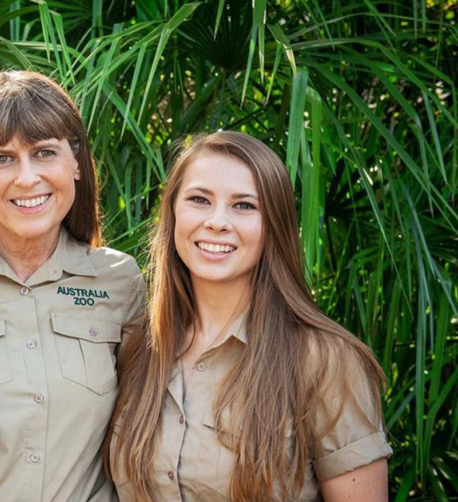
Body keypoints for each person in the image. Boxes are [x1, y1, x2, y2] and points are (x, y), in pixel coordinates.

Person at [106, 131, 391, 502]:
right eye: (199, 200)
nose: (217, 221)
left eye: (244, 206)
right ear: (173, 212)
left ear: (273, 225)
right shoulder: (136, 347)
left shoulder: (324, 361)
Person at [0, 71, 147, 502]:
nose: (26, 178)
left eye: (44, 153)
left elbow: (142, 429)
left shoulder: (120, 281)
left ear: (75, 162)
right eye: (2, 158)